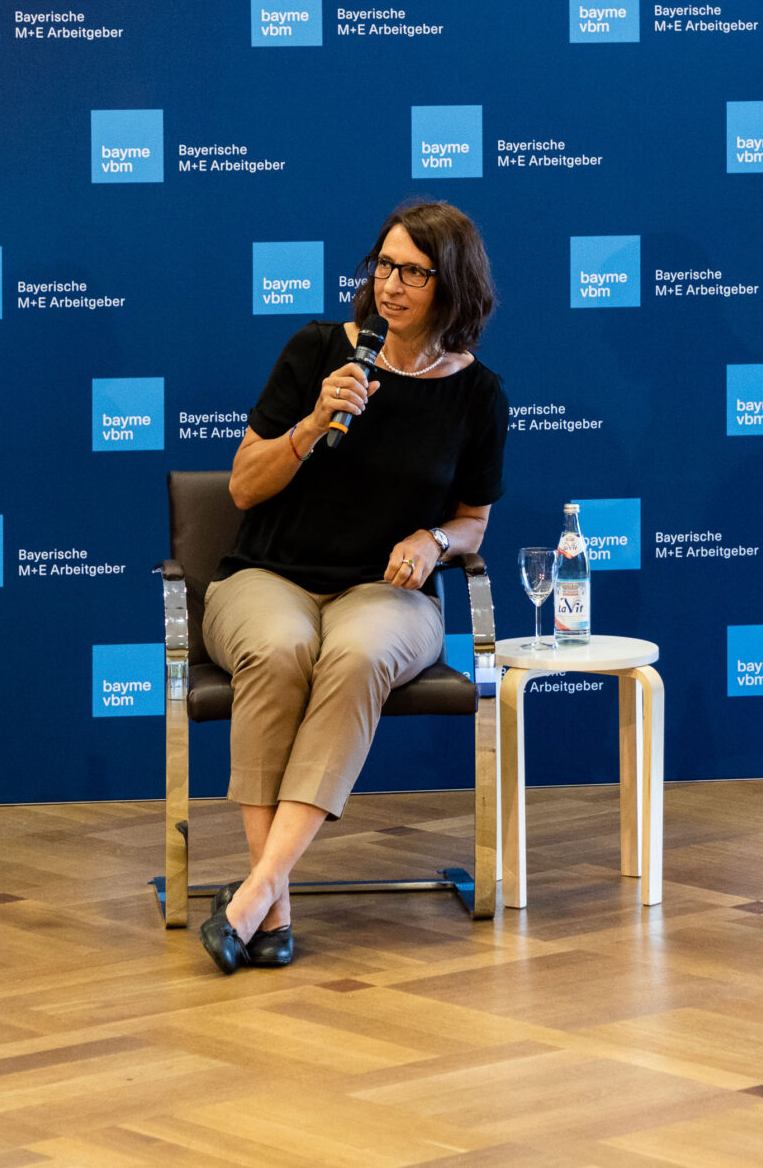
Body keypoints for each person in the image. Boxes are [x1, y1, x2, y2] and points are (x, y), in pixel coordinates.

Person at [198, 199, 510, 974]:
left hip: (388, 593)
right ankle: (276, 904)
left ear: (454, 285)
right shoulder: (316, 351)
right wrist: (310, 424)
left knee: (358, 652)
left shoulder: (478, 395)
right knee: (279, 647)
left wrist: (433, 539)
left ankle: (258, 890)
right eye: (382, 265)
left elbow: (474, 521)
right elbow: (241, 486)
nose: (390, 284)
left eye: (413, 271)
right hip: (269, 575)